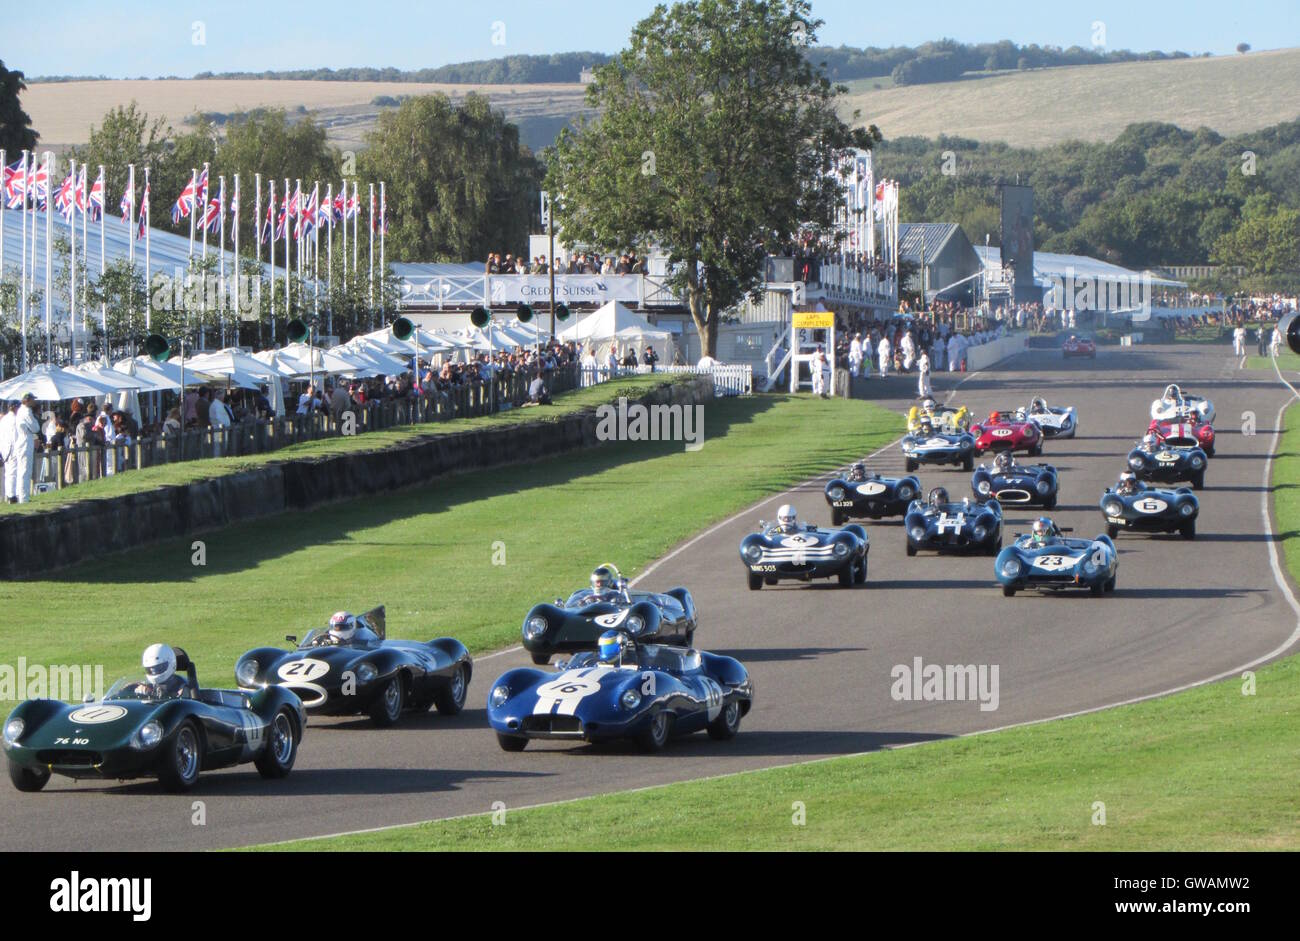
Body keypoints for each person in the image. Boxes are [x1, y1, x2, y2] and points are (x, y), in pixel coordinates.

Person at [11, 394, 40, 503]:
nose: (34, 402)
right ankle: (24, 497)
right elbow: (35, 427)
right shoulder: (27, 411)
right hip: (25, 440)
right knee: (25, 469)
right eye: (33, 400)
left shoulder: (20, 411)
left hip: (22, 439)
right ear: (27, 400)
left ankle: (20, 494)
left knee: (21, 469)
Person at [209, 389, 233, 457]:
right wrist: (225, 425)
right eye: (223, 396)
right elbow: (218, 418)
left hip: (223, 430)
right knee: (218, 448)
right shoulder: (216, 405)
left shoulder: (219, 404)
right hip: (218, 430)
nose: (223, 397)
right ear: (220, 396)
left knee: (222, 447)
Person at [0, 402, 15, 503]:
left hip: (4, 448)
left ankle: (8, 495)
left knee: (8, 473)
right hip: (11, 449)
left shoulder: (4, 420)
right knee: (12, 473)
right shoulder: (13, 419)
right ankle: (11, 495)